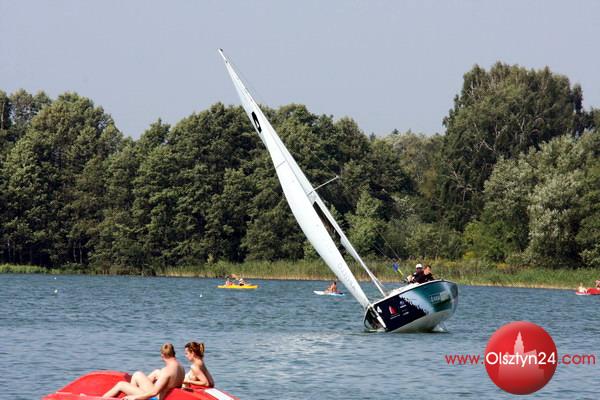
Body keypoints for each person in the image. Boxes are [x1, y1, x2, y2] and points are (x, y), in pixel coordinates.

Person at [102, 343, 185, 400]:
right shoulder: (181, 368)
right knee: (137, 374)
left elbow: (154, 392)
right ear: (174, 353)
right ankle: (130, 393)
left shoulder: (167, 371)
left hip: (156, 398)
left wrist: (135, 397)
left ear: (162, 355)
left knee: (121, 384)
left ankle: (100, 399)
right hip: (164, 395)